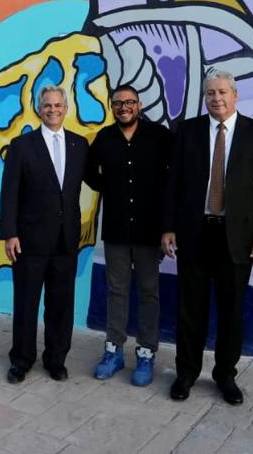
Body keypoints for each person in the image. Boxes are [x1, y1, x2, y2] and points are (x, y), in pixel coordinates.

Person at [162, 70, 253, 404]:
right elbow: (174, 182)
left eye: (222, 92)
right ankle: (186, 373)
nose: (216, 98)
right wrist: (168, 227)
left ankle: (225, 375)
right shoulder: (188, 131)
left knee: (231, 312)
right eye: (210, 93)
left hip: (236, 238)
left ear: (235, 95)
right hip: (195, 233)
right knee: (190, 311)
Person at [0, 85, 89, 383]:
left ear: (66, 108)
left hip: (66, 240)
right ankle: (21, 360)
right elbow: (9, 193)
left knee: (61, 305)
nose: (53, 110)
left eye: (58, 105)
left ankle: (56, 359)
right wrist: (10, 233)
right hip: (29, 240)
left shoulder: (79, 145)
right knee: (26, 304)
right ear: (39, 109)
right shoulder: (22, 145)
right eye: (47, 105)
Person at [86, 84, 172, 387]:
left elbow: (173, 179)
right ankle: (114, 352)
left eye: (130, 102)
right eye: (118, 103)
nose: (124, 107)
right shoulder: (104, 138)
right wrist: (109, 186)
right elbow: (88, 171)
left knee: (149, 292)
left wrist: (168, 225)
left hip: (150, 231)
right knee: (117, 291)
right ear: (112, 107)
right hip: (116, 230)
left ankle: (146, 353)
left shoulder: (160, 136)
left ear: (139, 105)